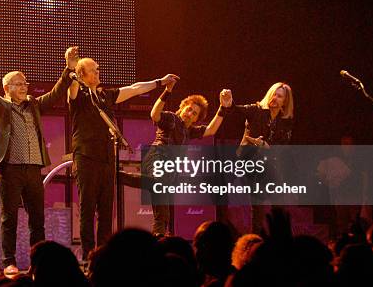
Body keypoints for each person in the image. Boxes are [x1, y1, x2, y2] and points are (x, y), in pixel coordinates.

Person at [0, 42, 78, 275]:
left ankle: (39, 262)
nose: (24, 87)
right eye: (18, 84)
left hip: (33, 168)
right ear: (6, 87)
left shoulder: (33, 104)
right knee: (8, 218)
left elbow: (55, 94)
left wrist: (68, 68)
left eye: (25, 83)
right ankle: (8, 261)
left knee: (37, 219)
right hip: (9, 168)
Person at [68, 57, 178, 261]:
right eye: (92, 70)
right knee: (87, 208)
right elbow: (72, 88)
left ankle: (101, 255)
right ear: (82, 75)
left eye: (98, 69)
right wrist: (71, 68)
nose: (97, 72)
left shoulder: (105, 95)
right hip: (86, 158)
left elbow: (134, 88)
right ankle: (87, 256)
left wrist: (160, 82)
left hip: (107, 159)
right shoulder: (78, 95)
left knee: (106, 210)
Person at [146, 79, 233, 236]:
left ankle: (161, 233)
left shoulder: (190, 131)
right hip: (157, 159)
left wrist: (223, 107)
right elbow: (154, 114)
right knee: (161, 193)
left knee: (163, 202)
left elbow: (211, 130)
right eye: (188, 109)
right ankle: (159, 234)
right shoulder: (171, 118)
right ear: (181, 108)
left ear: (196, 119)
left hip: (171, 167)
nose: (190, 114)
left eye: (194, 113)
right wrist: (167, 91)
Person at [234, 82, 294, 233]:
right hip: (249, 159)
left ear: (284, 102)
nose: (275, 97)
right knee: (259, 204)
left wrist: (266, 146)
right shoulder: (257, 110)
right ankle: (257, 240)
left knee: (278, 200)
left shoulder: (285, 121)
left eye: (279, 96)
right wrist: (227, 103)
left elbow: (283, 146)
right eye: (273, 93)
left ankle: (278, 236)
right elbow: (236, 110)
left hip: (268, 161)